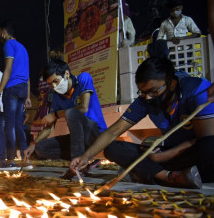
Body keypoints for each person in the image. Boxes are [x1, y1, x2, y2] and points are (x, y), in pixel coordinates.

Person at [71, 57, 214, 188]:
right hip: (167, 157)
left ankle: (148, 174)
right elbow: (113, 131)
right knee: (113, 148)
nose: (147, 97)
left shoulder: (196, 91)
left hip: (194, 153)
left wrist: (166, 155)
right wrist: (85, 157)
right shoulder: (145, 101)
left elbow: (204, 139)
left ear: (171, 84)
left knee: (209, 146)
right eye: (143, 92)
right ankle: (169, 177)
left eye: (153, 91)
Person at [24, 60, 107, 179]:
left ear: (66, 74)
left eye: (55, 81)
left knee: (71, 113)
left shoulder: (83, 79)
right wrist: (33, 143)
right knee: (41, 148)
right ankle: (84, 161)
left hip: (95, 134)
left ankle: (78, 165)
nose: (53, 86)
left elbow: (83, 108)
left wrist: (56, 114)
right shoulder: (55, 96)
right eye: (50, 84)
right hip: (78, 139)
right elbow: (50, 126)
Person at [0, 20, 31, 170]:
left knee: (9, 126)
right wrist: (27, 96)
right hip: (22, 88)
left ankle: (10, 161)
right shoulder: (23, 48)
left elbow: (7, 70)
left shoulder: (9, 45)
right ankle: (25, 160)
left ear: (4, 32)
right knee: (18, 125)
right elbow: (27, 75)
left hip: (12, 88)